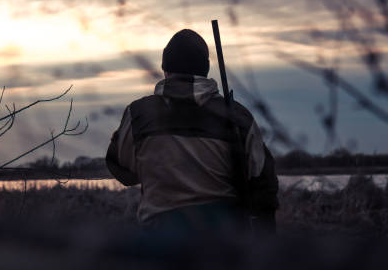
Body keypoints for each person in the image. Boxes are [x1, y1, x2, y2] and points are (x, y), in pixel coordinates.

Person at [106, 29, 278, 234]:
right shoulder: (238, 117)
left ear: (165, 69)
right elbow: (263, 184)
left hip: (160, 242)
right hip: (225, 243)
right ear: (205, 69)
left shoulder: (138, 114)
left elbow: (123, 171)